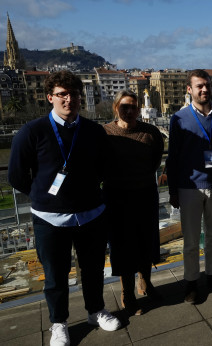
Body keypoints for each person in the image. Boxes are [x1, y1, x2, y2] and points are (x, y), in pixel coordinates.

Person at [8, 71, 120, 346]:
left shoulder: (94, 131)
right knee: (55, 275)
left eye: (74, 94)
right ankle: (59, 323)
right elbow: (16, 175)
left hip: (90, 214)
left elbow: (106, 167)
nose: (69, 100)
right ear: (50, 98)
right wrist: (44, 197)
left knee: (93, 268)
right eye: (62, 94)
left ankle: (96, 311)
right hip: (50, 218)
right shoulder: (32, 131)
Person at [166, 69, 212, 304]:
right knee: (191, 240)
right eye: (199, 86)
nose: (204, 89)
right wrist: (173, 190)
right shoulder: (179, 118)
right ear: (189, 90)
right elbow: (172, 157)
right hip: (189, 188)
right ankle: (191, 282)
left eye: (207, 85)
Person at [103, 90, 164, 316]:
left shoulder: (150, 132)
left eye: (133, 107)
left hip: (145, 194)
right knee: (123, 247)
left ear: (139, 109)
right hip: (117, 198)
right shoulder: (105, 133)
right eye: (125, 107)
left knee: (146, 242)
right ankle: (127, 293)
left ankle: (145, 282)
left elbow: (156, 160)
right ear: (116, 107)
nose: (129, 111)